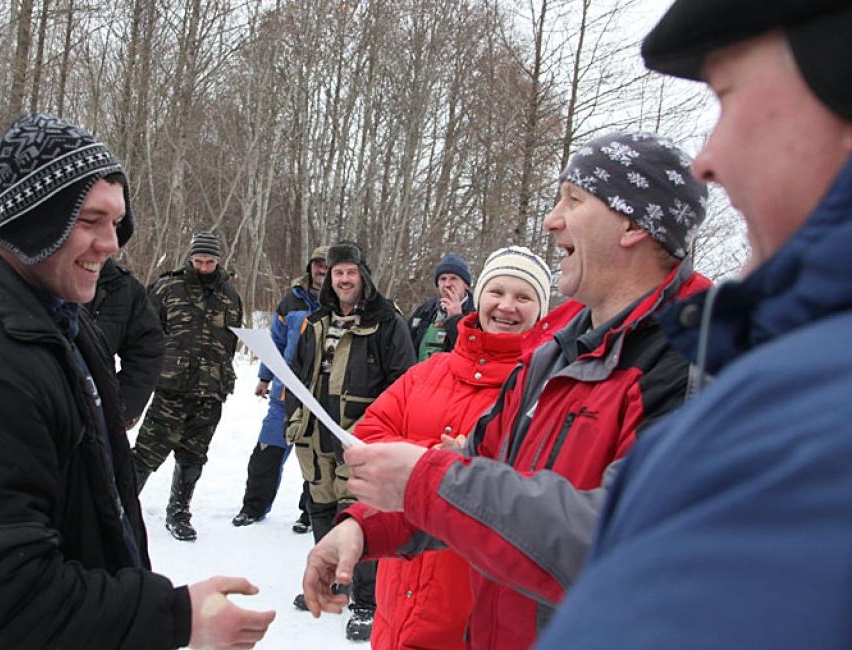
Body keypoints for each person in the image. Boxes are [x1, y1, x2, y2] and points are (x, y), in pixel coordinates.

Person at [0, 113, 275, 649]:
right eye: (90, 221)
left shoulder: (54, 323)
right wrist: (174, 617)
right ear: (33, 220)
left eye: (116, 222)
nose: (111, 244)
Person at [535, 0, 852, 649]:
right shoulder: (559, 350)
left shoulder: (753, 392)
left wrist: (433, 483)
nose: (705, 161)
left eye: (726, 96)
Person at [302, 131, 712, 649]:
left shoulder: (696, 359)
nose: (551, 219)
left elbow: (627, 540)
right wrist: (364, 528)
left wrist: (424, 478)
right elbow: (481, 468)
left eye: (574, 200)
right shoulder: (556, 355)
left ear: (632, 224)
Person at [355, 246, 552, 650]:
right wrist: (439, 462)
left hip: (469, 607)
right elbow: (368, 435)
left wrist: (451, 472)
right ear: (479, 298)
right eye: (497, 291)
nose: (507, 306)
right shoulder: (429, 371)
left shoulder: (543, 391)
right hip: (396, 591)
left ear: (541, 311)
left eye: (524, 296)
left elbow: (542, 489)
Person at [286, 240, 416, 642]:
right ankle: (328, 580)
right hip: (314, 433)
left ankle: (364, 601)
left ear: (363, 276)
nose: (343, 279)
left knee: (358, 514)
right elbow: (297, 371)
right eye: (337, 272)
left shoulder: (386, 320)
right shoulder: (317, 320)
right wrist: (293, 414)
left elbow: (404, 380)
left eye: (350, 272)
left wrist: (379, 427)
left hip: (359, 435)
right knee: (321, 506)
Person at [133, 231, 243, 541]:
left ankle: (179, 512)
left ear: (218, 260)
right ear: (189, 259)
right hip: (171, 388)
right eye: (198, 261)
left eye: (209, 261)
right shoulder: (168, 287)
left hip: (210, 392)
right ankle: (120, 507)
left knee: (194, 456)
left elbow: (231, 342)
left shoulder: (230, 294)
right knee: (145, 454)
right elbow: (143, 334)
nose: (204, 267)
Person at [232, 246, 327, 530]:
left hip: (319, 396)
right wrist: (264, 377)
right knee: (266, 453)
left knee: (317, 459)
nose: (322, 270)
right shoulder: (291, 302)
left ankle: (310, 514)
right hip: (284, 394)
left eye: (327, 265)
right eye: (318, 264)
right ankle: (253, 508)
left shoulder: (340, 303)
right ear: (310, 267)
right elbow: (276, 343)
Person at [84, 259, 162, 426]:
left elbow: (147, 350)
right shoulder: (29, 274)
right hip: (29, 414)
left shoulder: (124, 286)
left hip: (93, 416)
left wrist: (121, 406)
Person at [407, 252, 474, 361]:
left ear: (466, 284)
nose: (447, 284)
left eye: (454, 278)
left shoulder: (477, 314)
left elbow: (473, 354)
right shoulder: (425, 310)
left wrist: (456, 319)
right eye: (443, 279)